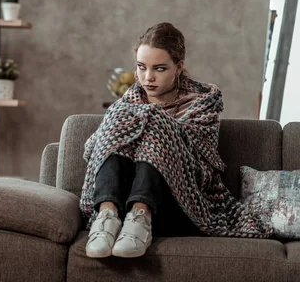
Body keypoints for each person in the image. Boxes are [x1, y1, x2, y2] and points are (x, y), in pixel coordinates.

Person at [80, 22, 271, 259]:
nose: (147, 78)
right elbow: (94, 148)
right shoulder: (126, 105)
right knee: (122, 115)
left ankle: (141, 217)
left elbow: (202, 165)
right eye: (141, 67)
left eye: (159, 69)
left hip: (179, 204)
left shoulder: (202, 104)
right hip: (122, 202)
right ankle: (106, 217)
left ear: (178, 66)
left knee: (157, 122)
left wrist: (154, 124)